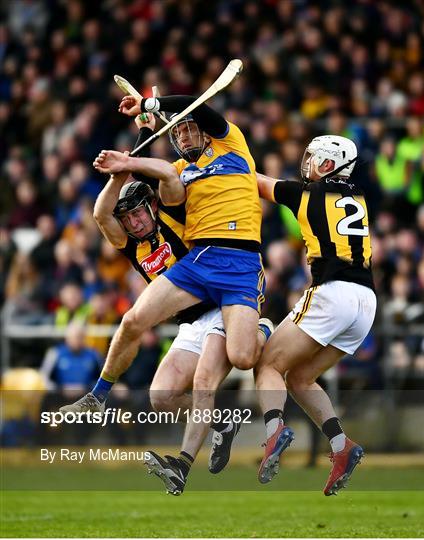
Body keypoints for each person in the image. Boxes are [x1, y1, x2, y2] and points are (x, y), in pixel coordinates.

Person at [63, 112, 273, 495]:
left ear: (152, 208)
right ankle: (221, 422)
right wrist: (118, 176)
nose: (136, 222)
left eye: (140, 212)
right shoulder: (129, 244)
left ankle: (181, 466)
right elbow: (99, 214)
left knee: (206, 381)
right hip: (187, 321)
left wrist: (130, 162)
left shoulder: (174, 216)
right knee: (161, 397)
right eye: (127, 218)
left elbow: (169, 177)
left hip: (220, 301)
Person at [254, 135, 377, 496]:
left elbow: (255, 182)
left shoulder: (305, 193)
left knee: (267, 365)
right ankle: (341, 446)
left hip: (333, 293)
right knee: (301, 378)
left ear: (327, 165)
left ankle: (274, 430)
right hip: (366, 301)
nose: (305, 162)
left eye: (312, 157)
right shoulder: (357, 195)